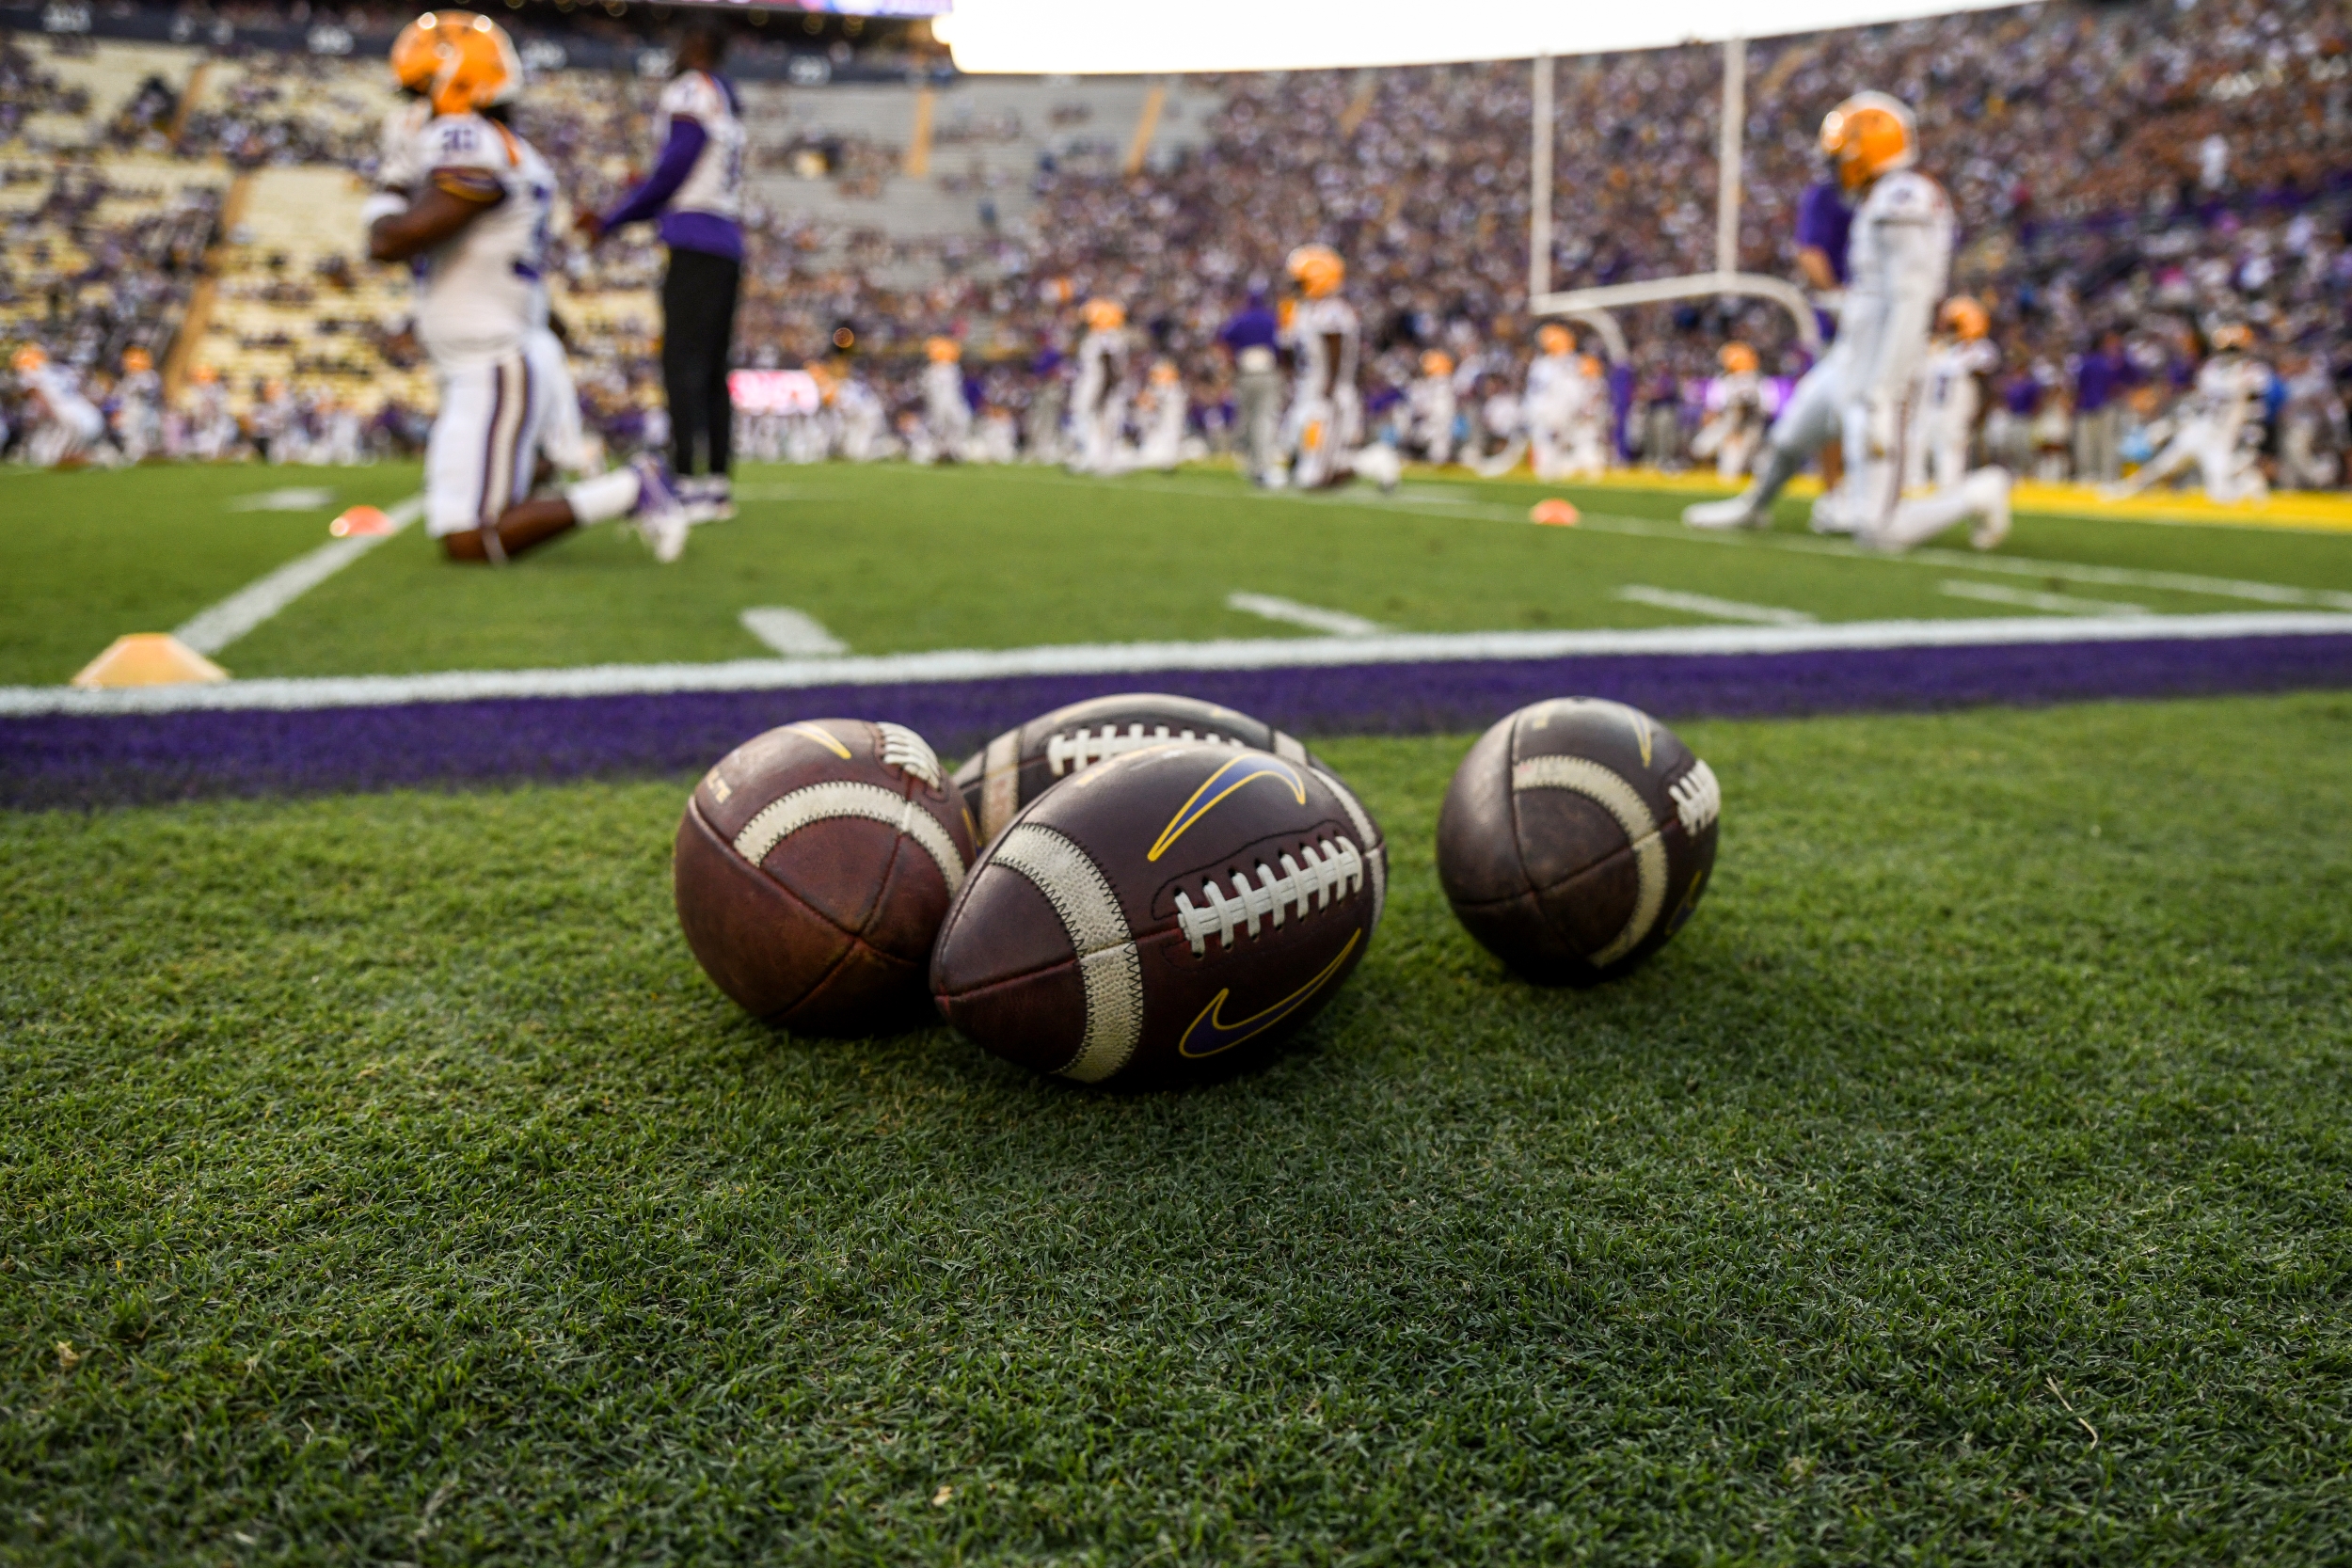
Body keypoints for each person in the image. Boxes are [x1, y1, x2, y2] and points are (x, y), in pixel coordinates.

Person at [367, 10, 685, 564]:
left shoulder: (467, 139)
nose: (413, 111)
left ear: (456, 84)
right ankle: (559, 472)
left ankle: (633, 489)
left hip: (492, 360)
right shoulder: (511, 148)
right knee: (475, 504)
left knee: (469, 538)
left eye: (419, 93)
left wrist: (392, 180)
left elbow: (391, 242)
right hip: (494, 353)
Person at [1688, 91, 2006, 549]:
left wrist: (1882, 390)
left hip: (1882, 372)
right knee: (1788, 438)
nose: (1835, 167)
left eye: (1841, 155)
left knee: (1878, 532)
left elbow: (1910, 303)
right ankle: (1751, 508)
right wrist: (1843, 307)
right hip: (1852, 357)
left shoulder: (1903, 197)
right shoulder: (1878, 199)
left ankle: (1979, 492)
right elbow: (1875, 294)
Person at [579, 18, 745, 523]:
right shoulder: (727, 95)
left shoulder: (690, 89)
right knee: (713, 369)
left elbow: (676, 169)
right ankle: (714, 483)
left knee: (683, 364)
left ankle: (688, 481)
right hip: (727, 238)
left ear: (697, 46)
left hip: (694, 238)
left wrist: (614, 218)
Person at [2104, 324, 2271, 505]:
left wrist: (2248, 446)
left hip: (2221, 438)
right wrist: (2169, 426)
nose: (2227, 353)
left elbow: (2256, 414)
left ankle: (2249, 483)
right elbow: (2197, 403)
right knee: (2162, 466)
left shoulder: (2252, 373)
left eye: (2231, 348)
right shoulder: (2212, 369)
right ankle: (2126, 489)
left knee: (2220, 496)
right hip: (2198, 429)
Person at [1280, 244, 1398, 491]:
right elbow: (1293, 353)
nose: (1296, 286)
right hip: (1313, 388)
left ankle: (1380, 460)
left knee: (1316, 478)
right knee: (1302, 449)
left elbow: (1335, 352)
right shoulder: (1309, 310)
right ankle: (1369, 462)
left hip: (1330, 391)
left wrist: (1330, 387)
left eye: (1300, 281)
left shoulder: (1332, 311)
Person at [1907, 297, 1996, 491]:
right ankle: (1917, 486)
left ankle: (1949, 490)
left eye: (1953, 326)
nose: (1948, 330)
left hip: (1956, 410)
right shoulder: (1946, 350)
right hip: (1933, 407)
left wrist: (1980, 413)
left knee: (1950, 450)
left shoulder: (1981, 349)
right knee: (1918, 443)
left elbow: (1983, 374)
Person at [1217, 286, 1282, 483]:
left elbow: (1222, 340)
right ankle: (1262, 466)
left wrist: (1230, 364)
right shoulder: (1272, 319)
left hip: (1245, 373)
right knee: (1263, 420)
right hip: (1268, 372)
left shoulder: (1240, 319)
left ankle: (1252, 465)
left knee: (1246, 420)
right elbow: (1284, 343)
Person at [11, 346, 107, 468]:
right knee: (55, 452)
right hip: (87, 414)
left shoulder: (33, 373)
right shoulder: (58, 370)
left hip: (68, 415)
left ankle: (90, 458)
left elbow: (40, 399)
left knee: (48, 457)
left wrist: (49, 414)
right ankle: (94, 456)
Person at [1067, 297, 1130, 475]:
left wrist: (1103, 392)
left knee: (1104, 421)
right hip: (1099, 385)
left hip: (1102, 387)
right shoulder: (1103, 337)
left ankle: (1101, 460)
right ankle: (1093, 457)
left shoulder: (1106, 339)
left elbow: (1108, 368)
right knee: (1090, 420)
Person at [1691, 342, 1766, 482]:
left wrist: (1736, 433)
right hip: (1727, 423)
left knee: (1730, 472)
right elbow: (1713, 411)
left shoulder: (1747, 379)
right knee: (1700, 448)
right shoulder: (1726, 380)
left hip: (1746, 427)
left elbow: (1746, 410)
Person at [2072, 329, 2129, 484]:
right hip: (2105, 407)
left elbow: (2079, 387)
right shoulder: (2111, 363)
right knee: (2107, 445)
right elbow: (2117, 387)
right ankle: (2107, 478)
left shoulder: (2086, 362)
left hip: (2087, 407)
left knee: (2087, 446)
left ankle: (2087, 477)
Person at [920, 336, 971, 461]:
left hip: (951, 403)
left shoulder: (951, 369)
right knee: (940, 427)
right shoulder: (934, 371)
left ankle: (952, 450)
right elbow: (932, 393)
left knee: (961, 421)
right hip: (941, 405)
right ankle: (941, 452)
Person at [1405, 348, 1457, 466]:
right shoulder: (1440, 382)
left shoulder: (1440, 381)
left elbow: (1428, 407)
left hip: (1437, 422)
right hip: (1435, 423)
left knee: (1438, 452)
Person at [111, 345, 162, 463]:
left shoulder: (149, 376)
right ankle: (132, 457)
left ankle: (139, 457)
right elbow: (120, 397)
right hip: (131, 409)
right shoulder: (128, 378)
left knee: (144, 437)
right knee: (129, 434)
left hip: (144, 409)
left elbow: (148, 390)